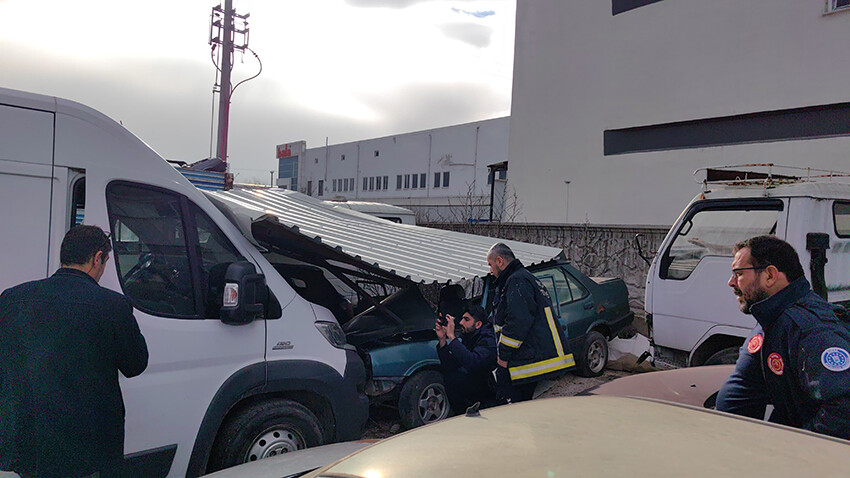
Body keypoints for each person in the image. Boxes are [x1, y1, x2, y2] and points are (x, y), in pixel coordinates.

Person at [0, 225, 149, 478]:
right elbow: (135, 365)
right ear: (97, 258)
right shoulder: (113, 306)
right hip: (87, 450)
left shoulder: (12, 299)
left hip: (28, 443)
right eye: (104, 262)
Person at [716, 235, 850, 439]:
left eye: (739, 273)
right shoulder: (772, 319)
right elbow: (745, 386)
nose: (731, 282)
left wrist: (795, 449)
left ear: (769, 275)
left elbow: (843, 407)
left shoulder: (811, 330)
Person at [487, 243, 573, 403]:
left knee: (514, 410)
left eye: (490, 265)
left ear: (499, 261)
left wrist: (502, 359)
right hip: (526, 358)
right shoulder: (523, 278)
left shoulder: (517, 281)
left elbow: (517, 323)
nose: (490, 271)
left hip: (525, 360)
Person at [435, 304, 497, 413]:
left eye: (466, 319)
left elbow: (473, 362)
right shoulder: (468, 336)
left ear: (478, 324)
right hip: (470, 397)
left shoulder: (488, 339)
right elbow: (450, 366)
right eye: (462, 318)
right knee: (452, 376)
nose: (461, 323)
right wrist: (442, 340)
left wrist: (452, 337)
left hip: (489, 396)